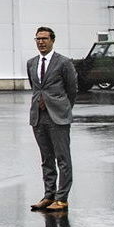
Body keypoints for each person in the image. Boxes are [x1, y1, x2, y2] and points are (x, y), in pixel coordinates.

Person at [26, 26, 78, 213]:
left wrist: (63, 109)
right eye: (38, 39)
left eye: (44, 38)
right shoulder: (31, 63)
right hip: (39, 117)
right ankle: (49, 195)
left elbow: (72, 89)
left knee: (62, 158)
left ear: (52, 40)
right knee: (46, 158)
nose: (41, 42)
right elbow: (36, 88)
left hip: (58, 116)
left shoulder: (63, 62)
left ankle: (62, 198)